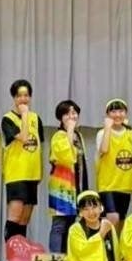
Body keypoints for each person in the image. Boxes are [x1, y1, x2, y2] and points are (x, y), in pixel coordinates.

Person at [0, 79, 44, 243]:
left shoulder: (36, 118)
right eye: (19, 96)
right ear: (14, 98)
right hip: (16, 173)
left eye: (26, 95)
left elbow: (39, 146)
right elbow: (24, 138)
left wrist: (40, 172)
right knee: (15, 216)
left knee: (25, 218)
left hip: (32, 174)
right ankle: (10, 253)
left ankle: (21, 253)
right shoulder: (8, 119)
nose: (23, 99)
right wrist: (25, 115)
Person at [47, 99, 87, 253]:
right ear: (61, 118)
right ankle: (56, 260)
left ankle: (67, 258)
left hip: (76, 186)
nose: (71, 116)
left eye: (74, 113)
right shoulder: (59, 136)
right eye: (67, 114)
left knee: (72, 224)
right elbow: (65, 157)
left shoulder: (79, 136)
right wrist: (69, 130)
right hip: (62, 187)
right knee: (59, 224)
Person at [95, 98, 132, 229]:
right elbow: (104, 149)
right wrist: (107, 128)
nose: (117, 115)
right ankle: (103, 240)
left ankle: (117, 242)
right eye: (113, 111)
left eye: (121, 111)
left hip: (125, 183)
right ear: (107, 114)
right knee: (112, 217)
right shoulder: (102, 133)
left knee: (121, 220)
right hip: (107, 184)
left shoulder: (131, 134)